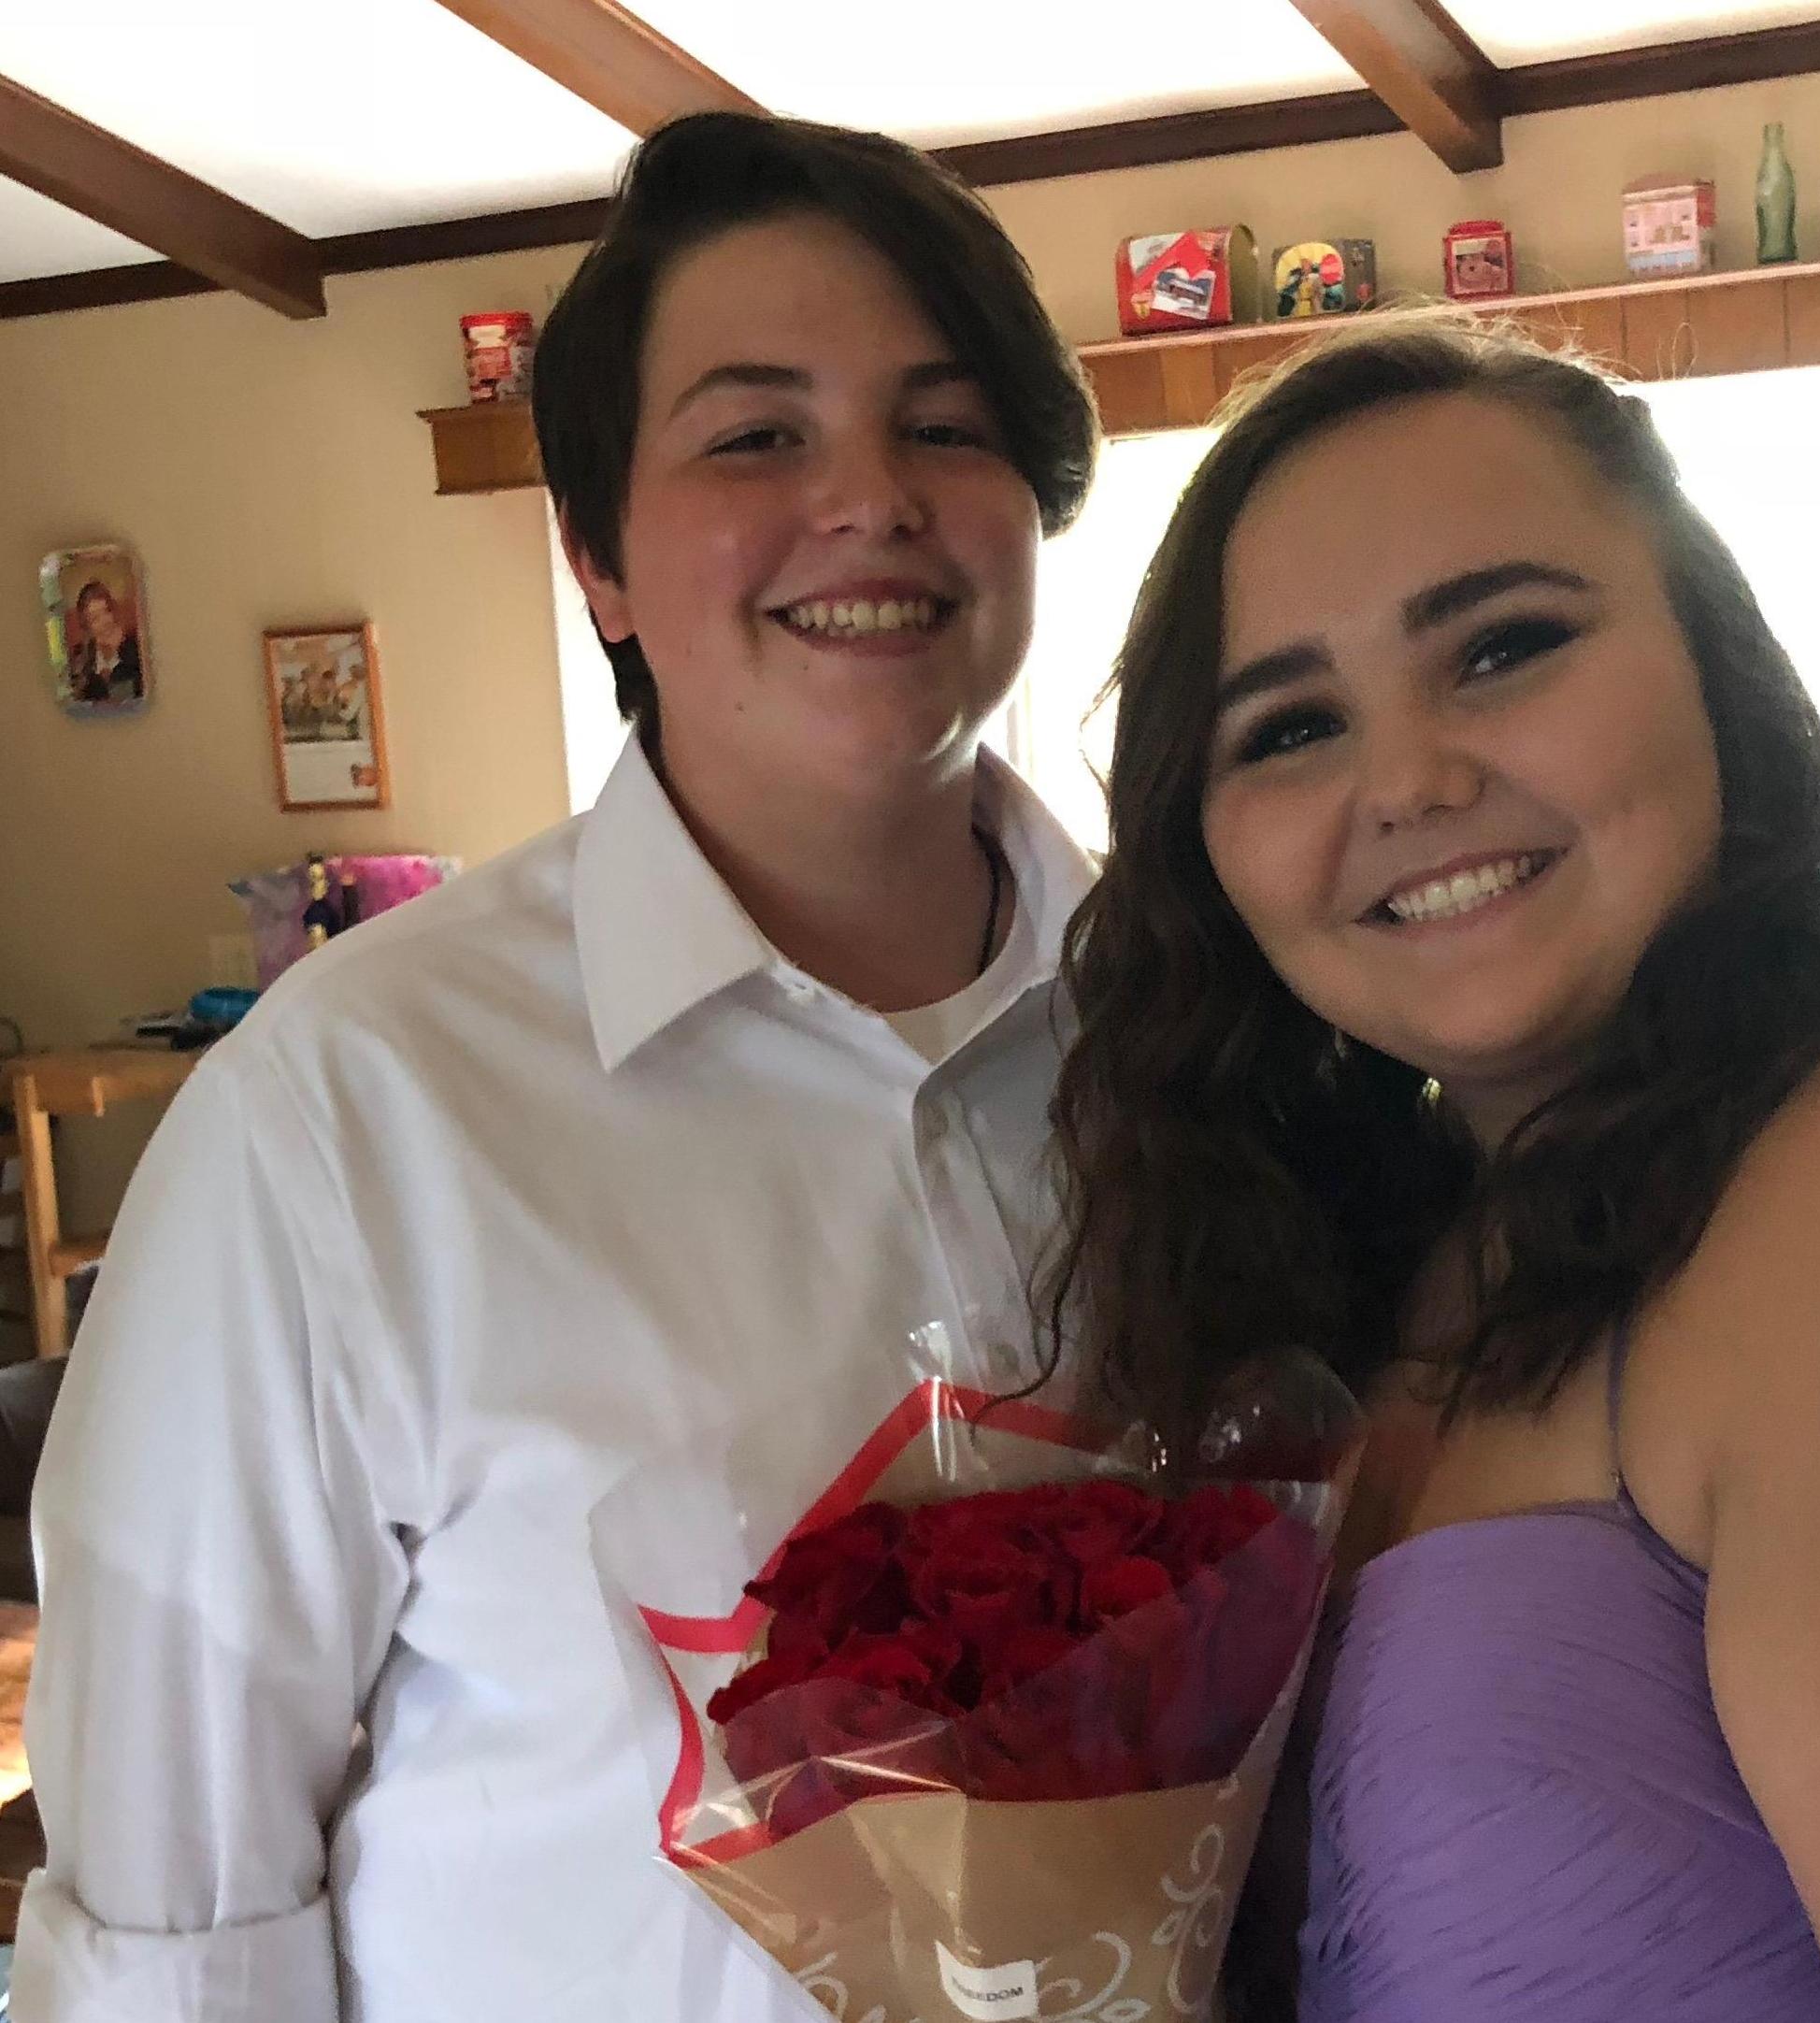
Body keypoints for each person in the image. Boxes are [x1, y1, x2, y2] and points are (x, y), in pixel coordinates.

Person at [18, 110, 1096, 2023]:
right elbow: (178, 1924)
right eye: (755, 433)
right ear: (594, 554)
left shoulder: (1188, 1042)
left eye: (944, 423)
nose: (872, 495)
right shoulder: (346, 1118)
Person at [1045, 312, 1820, 2021]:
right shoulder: (1378, 1253)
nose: (1411, 778)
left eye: (1499, 645)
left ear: (1713, 663)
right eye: (1285, 729)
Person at [66, 579, 144, 706]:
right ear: (87, 626)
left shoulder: (136, 648)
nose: (104, 622)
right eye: (95, 618)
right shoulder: (81, 658)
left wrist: (121, 650)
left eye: (106, 612)